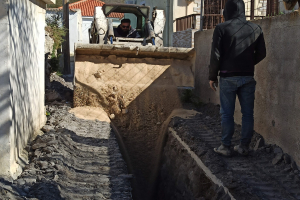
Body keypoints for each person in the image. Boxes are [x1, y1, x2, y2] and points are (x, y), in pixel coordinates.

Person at [209, 0, 266, 156]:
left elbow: (215, 55)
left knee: (227, 113)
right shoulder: (255, 28)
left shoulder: (221, 28)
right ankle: (243, 147)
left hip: (228, 77)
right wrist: (248, 63)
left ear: (227, 10)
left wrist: (212, 76)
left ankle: (226, 147)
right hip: (248, 77)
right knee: (248, 114)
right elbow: (262, 53)